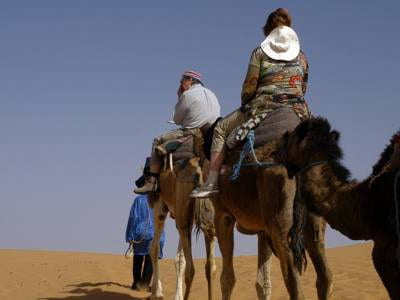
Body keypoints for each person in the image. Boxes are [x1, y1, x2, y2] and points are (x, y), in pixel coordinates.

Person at [191, 8, 310, 198]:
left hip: (263, 107)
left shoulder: (259, 53)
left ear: (267, 31)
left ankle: (211, 182)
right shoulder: (302, 56)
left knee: (220, 129)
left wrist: (246, 103)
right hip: (298, 110)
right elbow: (303, 88)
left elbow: (248, 88)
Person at [134, 70, 221, 194]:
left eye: (182, 81)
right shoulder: (212, 94)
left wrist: (180, 96)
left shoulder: (188, 94)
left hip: (191, 132)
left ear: (190, 80)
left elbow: (177, 119)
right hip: (212, 132)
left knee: (157, 141)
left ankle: (151, 181)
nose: (181, 85)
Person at [125, 175, 166, 291]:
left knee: (138, 258)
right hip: (157, 234)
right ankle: (144, 284)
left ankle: (136, 283)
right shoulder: (160, 199)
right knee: (151, 259)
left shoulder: (138, 200)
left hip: (140, 233)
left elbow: (133, 218)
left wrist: (129, 236)